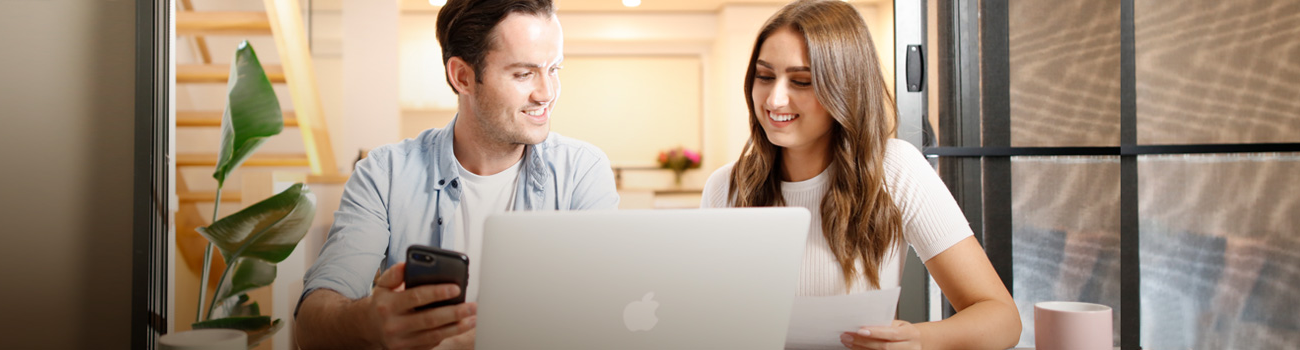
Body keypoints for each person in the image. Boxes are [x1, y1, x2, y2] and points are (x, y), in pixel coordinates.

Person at [294, 0, 619, 348]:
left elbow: (604, 314)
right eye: (524, 74)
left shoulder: (582, 172)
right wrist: (367, 321)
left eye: (554, 69)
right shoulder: (384, 173)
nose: (547, 93)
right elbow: (309, 327)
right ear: (462, 76)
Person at [699, 1, 1021, 349]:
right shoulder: (725, 188)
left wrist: (920, 339)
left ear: (845, 88)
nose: (775, 100)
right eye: (764, 77)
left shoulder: (894, 169)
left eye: (802, 81)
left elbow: (1002, 319)